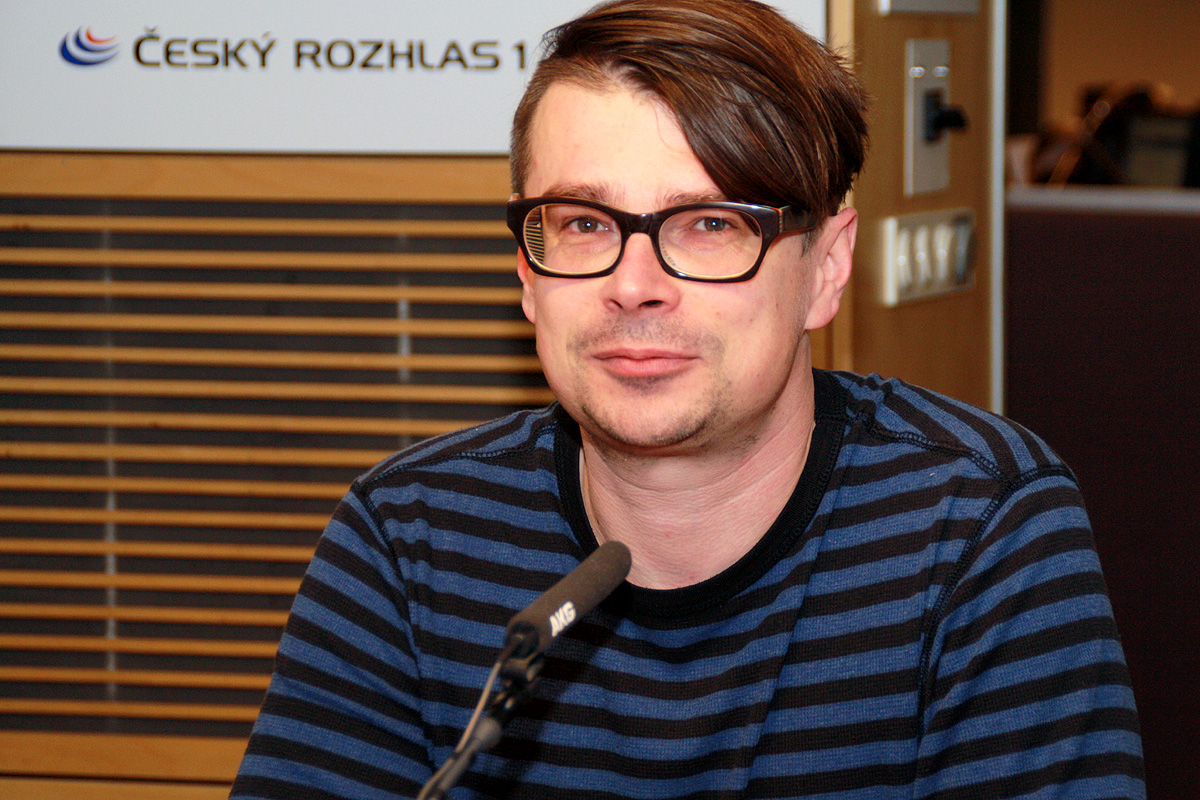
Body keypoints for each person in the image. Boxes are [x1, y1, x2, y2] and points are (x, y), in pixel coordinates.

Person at [230, 1, 1145, 797]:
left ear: (826, 267)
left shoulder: (980, 526)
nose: (634, 285)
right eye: (584, 223)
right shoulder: (410, 534)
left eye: (711, 224)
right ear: (526, 272)